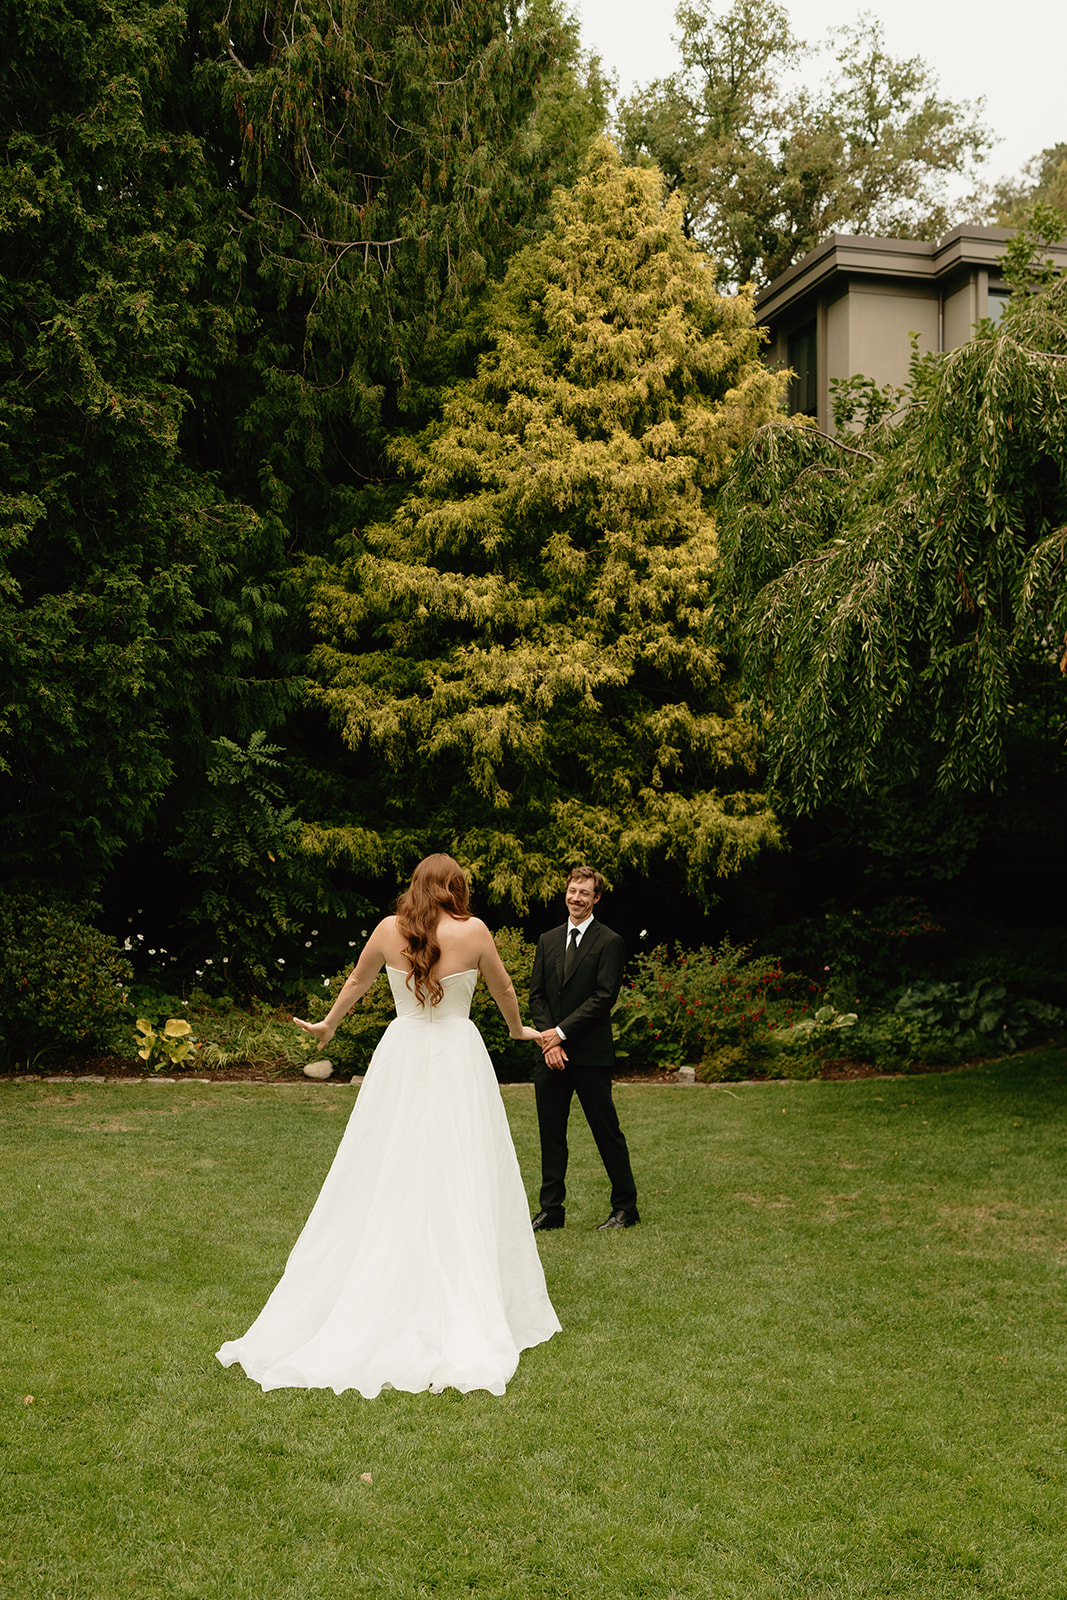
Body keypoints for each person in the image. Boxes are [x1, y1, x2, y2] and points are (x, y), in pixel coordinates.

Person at [216, 854, 560, 1398]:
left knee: (387, 1162)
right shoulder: (473, 932)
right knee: (461, 1164)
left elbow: (357, 980)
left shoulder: (387, 929)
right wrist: (521, 1031)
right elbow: (506, 992)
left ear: (417, 885)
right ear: (455, 887)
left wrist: (329, 1023)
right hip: (456, 1055)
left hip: (401, 1052)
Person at [528, 866, 639, 1232]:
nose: (577, 898)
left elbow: (604, 997)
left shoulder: (609, 942)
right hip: (550, 1056)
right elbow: (537, 995)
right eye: (573, 890)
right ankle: (551, 1210)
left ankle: (625, 1208)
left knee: (606, 1132)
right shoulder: (547, 939)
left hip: (590, 1055)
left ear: (596, 899)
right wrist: (549, 1040)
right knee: (551, 1134)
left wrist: (560, 1033)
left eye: (585, 893)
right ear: (566, 892)